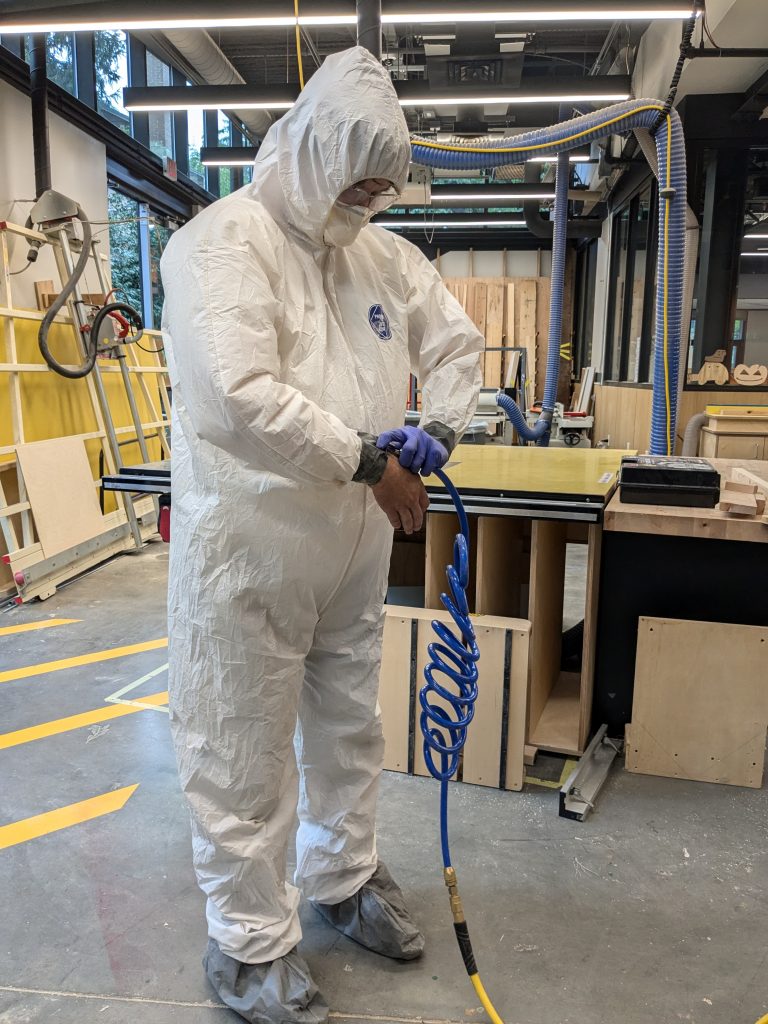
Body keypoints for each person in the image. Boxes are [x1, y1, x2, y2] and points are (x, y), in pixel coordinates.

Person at [160, 45, 483, 1024]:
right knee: (240, 741)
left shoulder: (378, 252)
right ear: (312, 153)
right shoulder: (224, 243)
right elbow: (237, 396)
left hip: (350, 544)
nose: (367, 203)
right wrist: (366, 460)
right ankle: (250, 944)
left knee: (351, 725)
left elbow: (456, 339)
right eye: (357, 183)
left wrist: (443, 423)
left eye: (382, 189)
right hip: (250, 542)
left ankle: (342, 879)